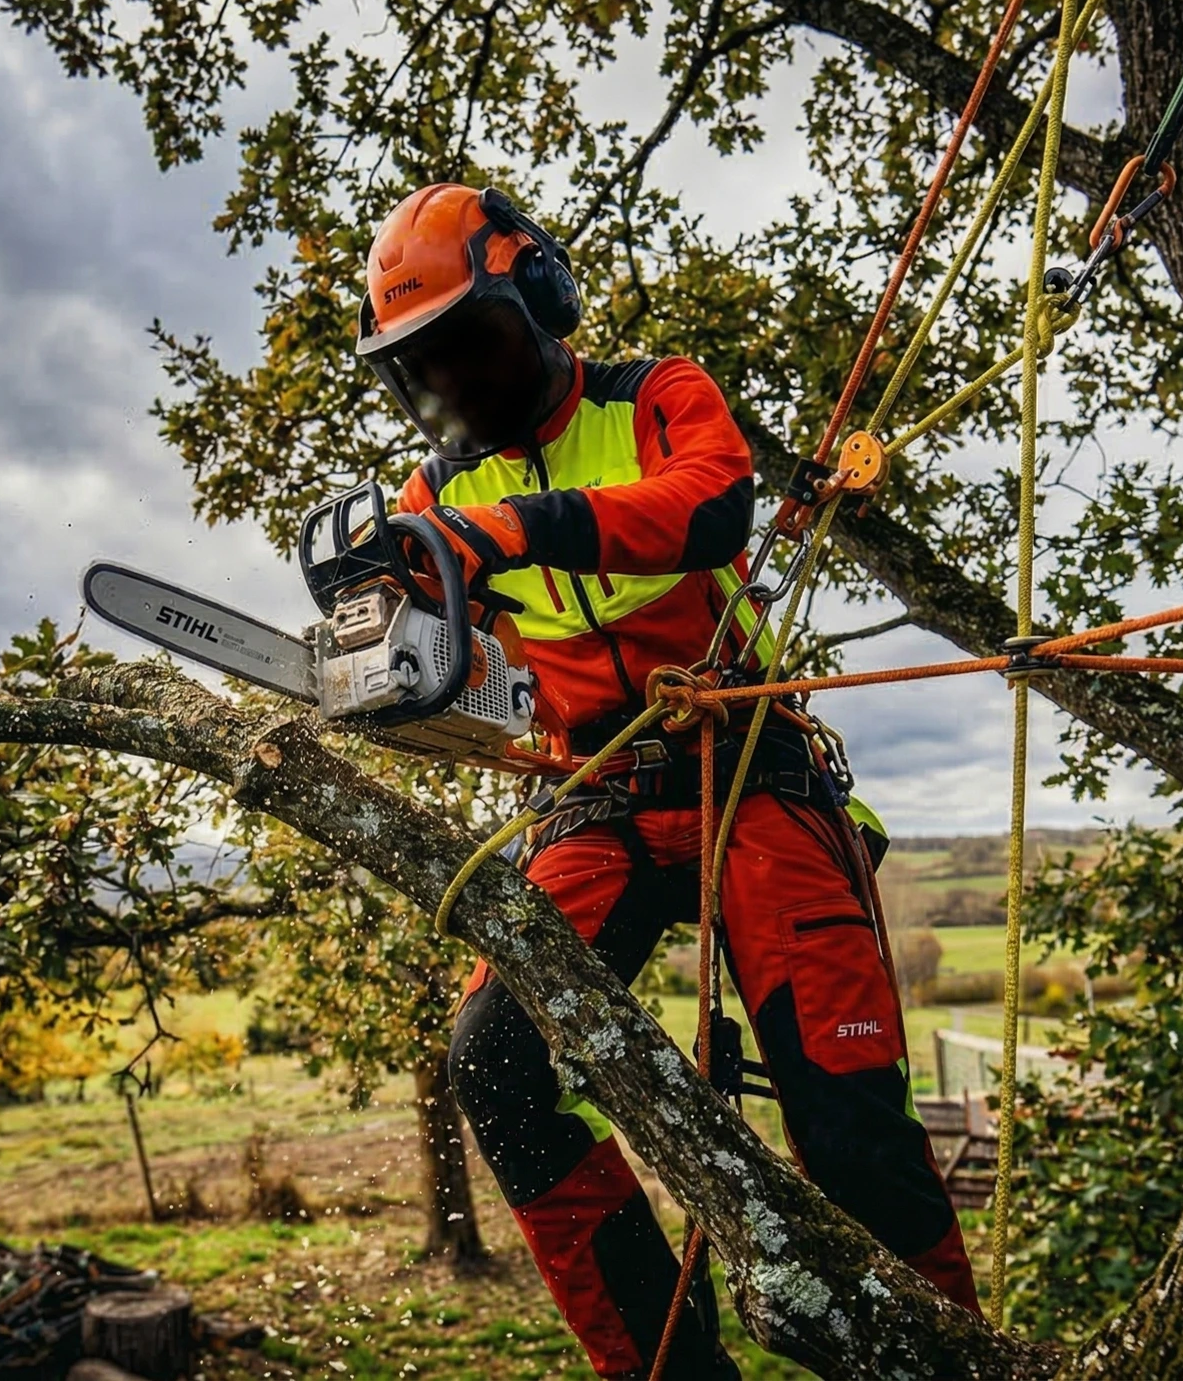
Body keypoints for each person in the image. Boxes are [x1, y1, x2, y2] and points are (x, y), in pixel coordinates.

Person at [357, 182, 980, 1378]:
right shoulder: (434, 496)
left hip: (747, 769)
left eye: (474, 347)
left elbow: (713, 504)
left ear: (540, 300)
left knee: (844, 1098)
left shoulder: (653, 395)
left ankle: (943, 1361)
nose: (458, 386)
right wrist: (402, 640)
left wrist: (516, 529)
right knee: (495, 1059)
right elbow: (458, 651)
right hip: (592, 796)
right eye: (426, 368)